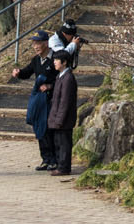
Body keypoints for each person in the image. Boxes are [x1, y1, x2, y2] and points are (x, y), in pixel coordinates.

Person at [10, 31, 56, 171]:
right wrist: (18, 73)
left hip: (52, 100)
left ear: (46, 43)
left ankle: (54, 160)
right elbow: (27, 72)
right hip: (39, 101)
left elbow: (62, 79)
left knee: (49, 130)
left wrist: (50, 86)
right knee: (39, 129)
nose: (35, 46)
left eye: (38, 43)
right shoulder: (36, 60)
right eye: (34, 44)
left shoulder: (55, 58)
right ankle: (45, 159)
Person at [44, 49, 78, 178]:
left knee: (64, 144)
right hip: (57, 117)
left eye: (57, 60)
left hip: (64, 119)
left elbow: (65, 101)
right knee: (58, 143)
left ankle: (64, 168)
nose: (54, 63)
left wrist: (59, 120)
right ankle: (60, 166)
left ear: (64, 62)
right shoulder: (60, 76)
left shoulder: (68, 78)